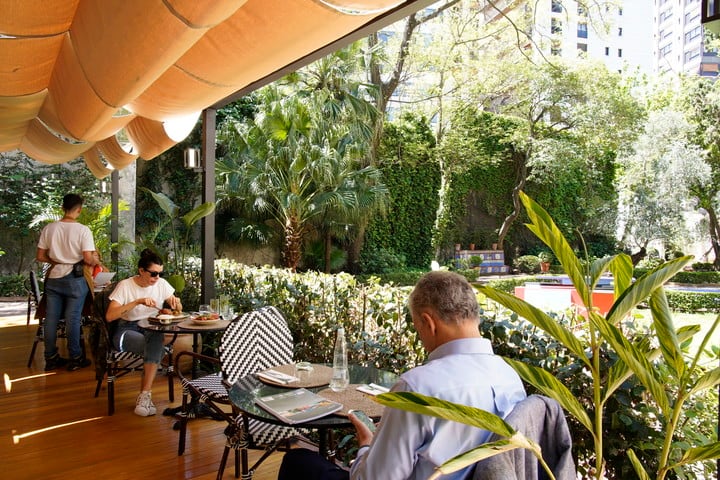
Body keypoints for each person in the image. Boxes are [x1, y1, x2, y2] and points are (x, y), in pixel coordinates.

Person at [278, 271, 527, 480]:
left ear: (428, 323)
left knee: (298, 461)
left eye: (417, 328)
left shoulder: (418, 387)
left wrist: (366, 444)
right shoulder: (510, 377)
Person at [105, 249, 182, 417]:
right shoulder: (125, 285)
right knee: (157, 347)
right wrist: (137, 301)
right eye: (153, 274)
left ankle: (144, 396)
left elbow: (178, 309)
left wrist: (175, 306)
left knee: (154, 340)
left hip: (152, 328)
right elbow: (110, 316)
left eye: (160, 274)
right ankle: (145, 396)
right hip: (126, 329)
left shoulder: (161, 284)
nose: (157, 278)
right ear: (141, 271)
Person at [36, 193, 99, 372]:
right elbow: (87, 258)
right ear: (79, 210)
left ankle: (50, 358)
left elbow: (40, 256)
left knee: (51, 319)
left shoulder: (49, 228)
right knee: (72, 319)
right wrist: (95, 260)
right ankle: (76, 358)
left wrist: (56, 260)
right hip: (75, 278)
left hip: (54, 278)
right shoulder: (83, 230)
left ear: (62, 208)